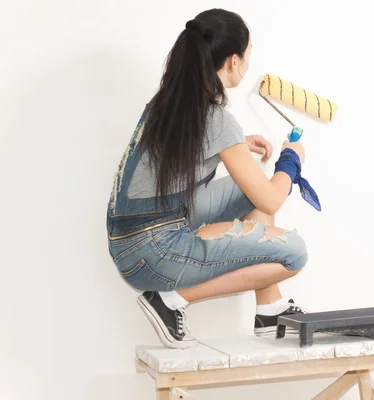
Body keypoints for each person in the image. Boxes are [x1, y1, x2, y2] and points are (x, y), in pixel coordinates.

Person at [106, 8, 310, 349]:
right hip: (152, 251)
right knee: (294, 253)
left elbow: (184, 148)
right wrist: (292, 160)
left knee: (247, 188)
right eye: (247, 55)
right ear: (233, 61)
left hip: (128, 240)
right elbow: (272, 200)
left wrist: (238, 145)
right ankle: (171, 299)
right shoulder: (216, 119)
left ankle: (270, 309)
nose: (247, 64)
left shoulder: (170, 102)